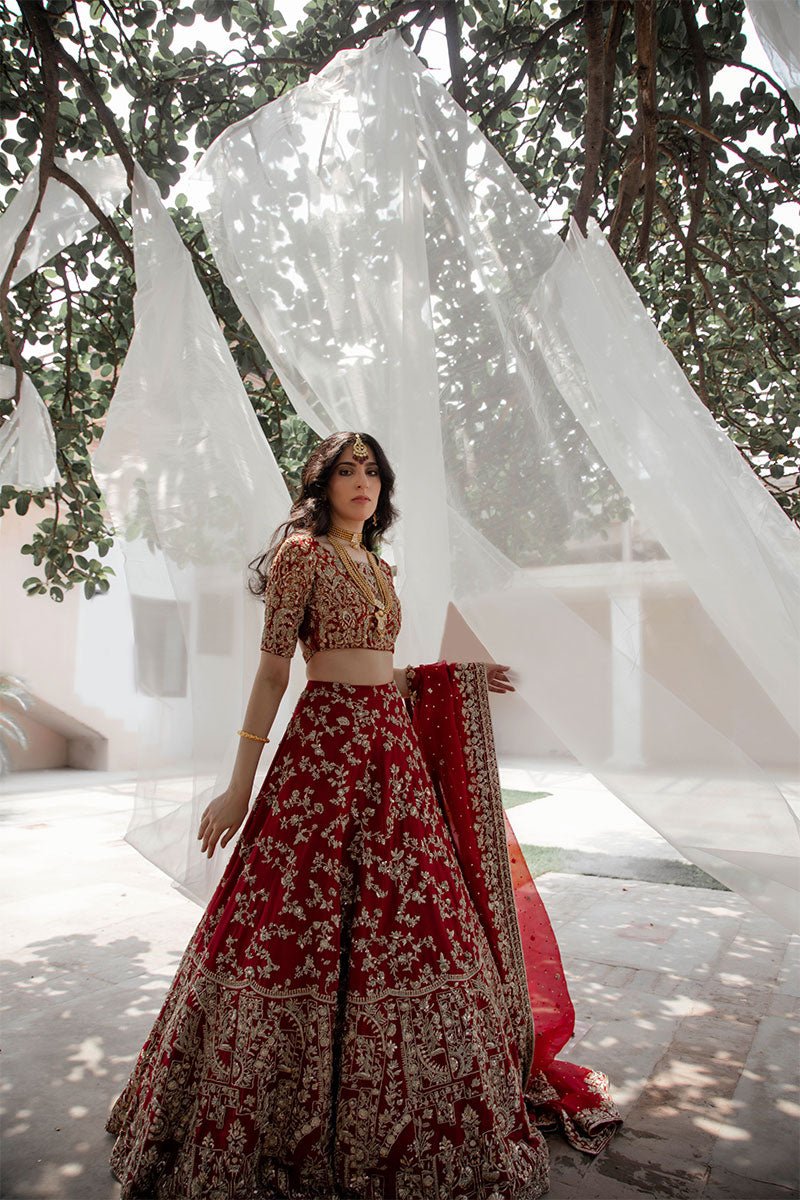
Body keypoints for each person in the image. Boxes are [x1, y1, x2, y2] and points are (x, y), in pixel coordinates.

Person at [106, 431, 620, 1199]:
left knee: (412, 914)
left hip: (390, 755)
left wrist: (452, 677)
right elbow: (276, 668)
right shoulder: (302, 557)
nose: (362, 483)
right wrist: (239, 783)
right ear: (321, 485)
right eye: (347, 471)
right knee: (294, 917)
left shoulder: (379, 567)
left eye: (372, 471)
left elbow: (380, 666)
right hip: (322, 754)